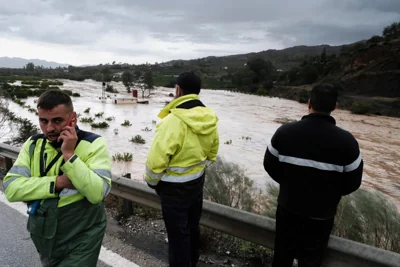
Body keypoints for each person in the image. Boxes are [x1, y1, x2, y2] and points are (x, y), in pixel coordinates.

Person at [3, 89, 112, 267]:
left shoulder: (93, 144)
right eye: (43, 121)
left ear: (73, 118)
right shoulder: (33, 145)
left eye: (57, 120)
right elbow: (11, 188)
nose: (49, 128)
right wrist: (57, 183)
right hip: (44, 234)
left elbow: (97, 193)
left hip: (81, 234)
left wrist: (69, 155)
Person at [263, 84, 363, 267]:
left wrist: (288, 184)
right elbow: (353, 182)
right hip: (322, 215)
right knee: (311, 260)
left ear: (308, 103)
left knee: (282, 257)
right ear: (335, 107)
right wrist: (329, 193)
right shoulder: (348, 142)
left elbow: (269, 165)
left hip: (288, 208)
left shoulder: (285, 132)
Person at [145, 72, 219, 267]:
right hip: (197, 184)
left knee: (178, 238)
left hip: (173, 189)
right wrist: (197, 170)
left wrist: (152, 182)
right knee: (192, 230)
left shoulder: (172, 121)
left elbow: (156, 160)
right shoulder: (210, 117)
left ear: (178, 90)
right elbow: (213, 152)